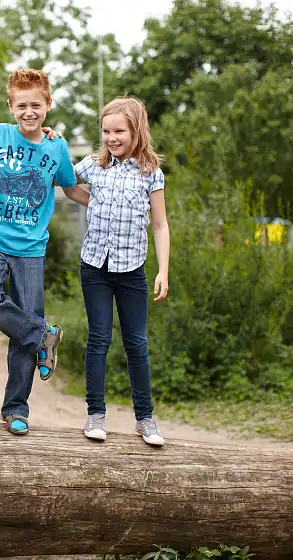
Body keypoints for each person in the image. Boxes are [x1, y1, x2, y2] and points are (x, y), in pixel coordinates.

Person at [0, 69, 77, 436]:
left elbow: (71, 187)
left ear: (48, 105)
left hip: (31, 248)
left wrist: (105, 206)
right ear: (10, 106)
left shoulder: (56, 146)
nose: (29, 112)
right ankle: (43, 335)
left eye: (36, 105)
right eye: (22, 105)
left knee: (21, 330)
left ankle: (16, 407)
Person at [63, 95, 170, 447]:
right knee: (99, 339)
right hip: (94, 266)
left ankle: (146, 418)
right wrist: (89, 199)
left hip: (131, 271)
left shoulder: (150, 173)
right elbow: (64, 180)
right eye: (106, 131)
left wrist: (163, 270)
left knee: (136, 343)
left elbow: (159, 224)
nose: (111, 137)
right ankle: (96, 415)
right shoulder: (95, 165)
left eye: (119, 131)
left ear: (136, 131)